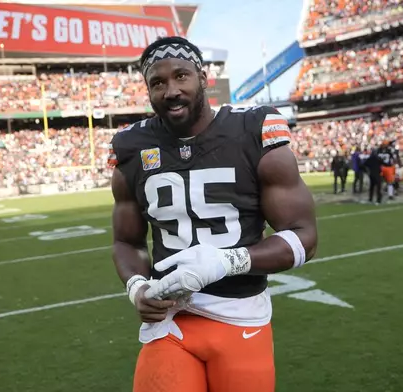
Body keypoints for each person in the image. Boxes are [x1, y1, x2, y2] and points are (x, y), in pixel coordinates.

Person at [108, 36, 318, 392]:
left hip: (240, 316)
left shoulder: (253, 129)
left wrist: (227, 261)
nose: (170, 90)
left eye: (181, 76)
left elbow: (303, 238)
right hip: (171, 320)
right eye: (157, 82)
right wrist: (137, 287)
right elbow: (126, 241)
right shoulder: (131, 147)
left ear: (203, 77)